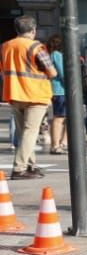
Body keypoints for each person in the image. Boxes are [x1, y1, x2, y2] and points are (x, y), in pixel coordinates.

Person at [3, 16, 58, 180]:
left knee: (24, 133)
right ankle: (19, 168)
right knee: (30, 132)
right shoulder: (36, 47)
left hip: (14, 93)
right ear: (33, 30)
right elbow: (52, 72)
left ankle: (30, 165)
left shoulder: (5, 46)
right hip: (35, 95)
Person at [47, 35, 68, 154]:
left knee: (64, 118)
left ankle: (62, 143)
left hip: (58, 90)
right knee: (59, 118)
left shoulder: (51, 54)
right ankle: (56, 145)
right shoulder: (57, 55)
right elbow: (63, 73)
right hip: (61, 90)